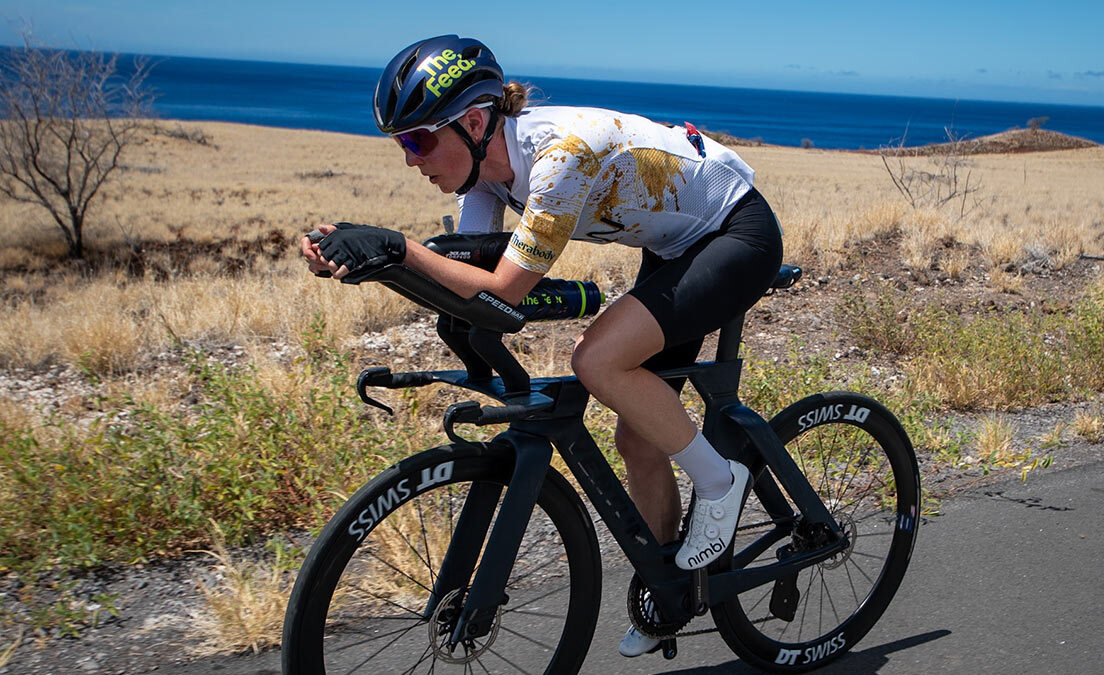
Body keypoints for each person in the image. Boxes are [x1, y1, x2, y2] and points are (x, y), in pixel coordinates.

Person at [300, 35, 784, 657]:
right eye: (401, 142)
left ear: (474, 122)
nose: (409, 158)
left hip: (734, 234)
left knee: (597, 360)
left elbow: (500, 285)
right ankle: (672, 589)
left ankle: (721, 482)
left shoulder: (561, 158)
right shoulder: (484, 176)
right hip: (674, 248)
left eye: (417, 139)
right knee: (639, 433)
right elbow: (473, 288)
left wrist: (397, 246)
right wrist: (364, 258)